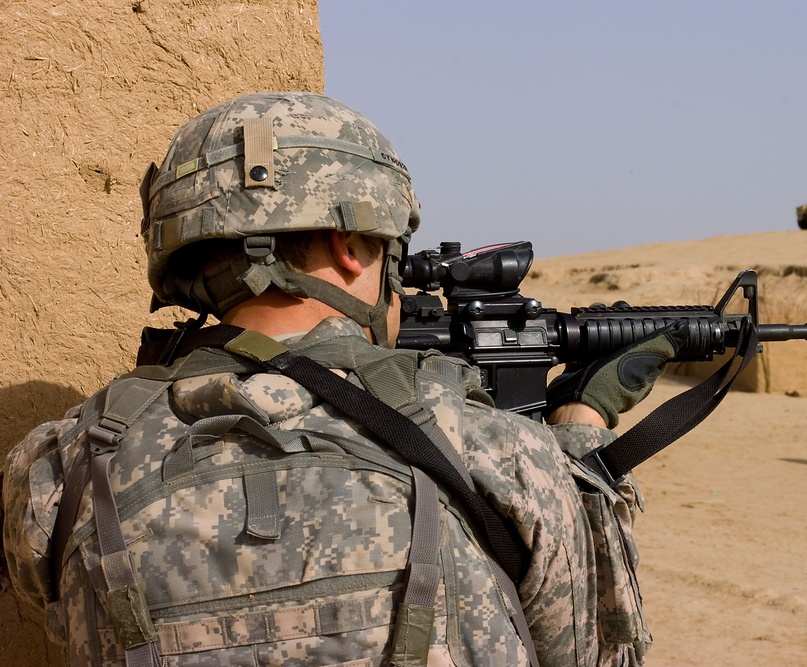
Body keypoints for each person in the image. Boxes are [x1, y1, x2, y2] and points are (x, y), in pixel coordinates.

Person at [3, 92, 688, 666]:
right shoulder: (502, 458)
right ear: (350, 244)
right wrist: (579, 434)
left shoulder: (56, 472)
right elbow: (595, 653)